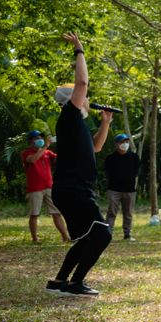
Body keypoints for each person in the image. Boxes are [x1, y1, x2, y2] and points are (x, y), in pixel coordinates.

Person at [45, 32, 114, 296]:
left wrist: (105, 123)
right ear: (72, 99)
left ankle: (60, 281)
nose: (86, 98)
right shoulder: (69, 116)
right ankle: (76, 283)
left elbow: (96, 147)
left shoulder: (77, 125)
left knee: (88, 236)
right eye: (82, 96)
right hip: (74, 189)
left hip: (74, 188)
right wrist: (79, 50)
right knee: (102, 234)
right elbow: (83, 81)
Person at [22, 129, 69, 243]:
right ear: (31, 141)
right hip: (34, 188)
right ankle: (35, 239)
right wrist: (45, 147)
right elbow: (33, 160)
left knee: (56, 212)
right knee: (34, 214)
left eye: (40, 138)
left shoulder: (47, 153)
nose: (40, 140)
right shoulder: (26, 153)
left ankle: (65, 237)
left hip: (49, 186)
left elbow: (59, 159)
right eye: (36, 138)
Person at [102, 132, 140, 241]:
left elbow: (136, 172)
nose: (125, 144)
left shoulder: (134, 157)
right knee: (111, 212)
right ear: (117, 144)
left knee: (128, 213)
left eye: (126, 141)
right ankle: (108, 234)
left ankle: (127, 234)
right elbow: (107, 173)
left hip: (129, 190)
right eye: (122, 142)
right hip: (114, 190)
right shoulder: (110, 158)